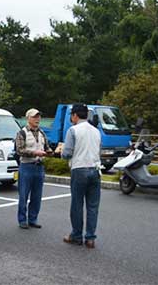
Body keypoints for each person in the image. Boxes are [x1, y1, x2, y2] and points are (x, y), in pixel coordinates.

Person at [62, 104, 101, 249]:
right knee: (92, 206)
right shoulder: (96, 131)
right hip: (95, 169)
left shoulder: (73, 130)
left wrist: (61, 151)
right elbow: (98, 150)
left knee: (77, 204)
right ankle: (90, 238)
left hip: (79, 169)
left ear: (75, 115)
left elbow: (67, 153)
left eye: (71, 115)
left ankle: (76, 235)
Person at [15, 108, 49, 229]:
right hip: (26, 167)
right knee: (23, 195)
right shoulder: (22, 133)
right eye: (34, 117)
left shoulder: (42, 133)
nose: (37, 119)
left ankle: (33, 219)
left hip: (39, 167)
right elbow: (19, 150)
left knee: (37, 196)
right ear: (28, 118)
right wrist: (35, 153)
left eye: (38, 116)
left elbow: (47, 148)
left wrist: (51, 152)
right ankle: (22, 220)